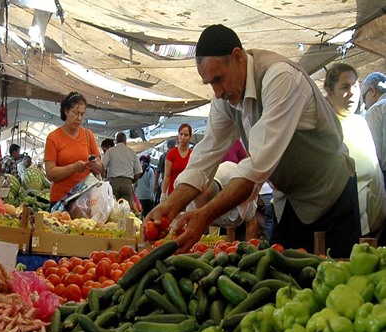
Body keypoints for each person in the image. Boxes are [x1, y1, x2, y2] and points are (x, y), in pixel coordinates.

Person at [148, 24, 360, 257]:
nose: (217, 92)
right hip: (287, 205)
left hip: (331, 198)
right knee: (284, 284)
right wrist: (170, 206)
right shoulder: (224, 99)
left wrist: (205, 215)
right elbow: (204, 157)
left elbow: (256, 166)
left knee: (337, 280)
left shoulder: (280, 78)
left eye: (219, 79)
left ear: (238, 57)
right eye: (210, 83)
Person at [324, 63, 386, 238]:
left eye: (356, 86)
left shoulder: (360, 123)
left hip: (372, 227)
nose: (352, 92)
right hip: (343, 230)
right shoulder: (325, 129)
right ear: (330, 92)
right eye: (345, 87)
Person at [44, 92, 103, 208]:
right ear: (66, 111)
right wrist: (74, 168)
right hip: (60, 201)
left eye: (82, 114)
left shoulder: (88, 135)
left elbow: (100, 168)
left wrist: (95, 164)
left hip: (84, 202)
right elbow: (50, 173)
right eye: (75, 113)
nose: (79, 118)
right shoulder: (53, 138)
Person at [185, 161, 258, 238]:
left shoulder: (240, 187)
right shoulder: (193, 197)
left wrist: (249, 247)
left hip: (240, 219)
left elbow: (251, 223)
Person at [101, 132, 143, 207]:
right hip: (127, 183)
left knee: (113, 209)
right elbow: (139, 172)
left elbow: (102, 165)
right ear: (125, 141)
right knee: (126, 210)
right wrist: (132, 181)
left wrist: (103, 177)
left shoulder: (110, 151)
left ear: (116, 141)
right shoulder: (132, 152)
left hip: (114, 183)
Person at [363, 72, 386, 183]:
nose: (365, 106)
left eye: (363, 98)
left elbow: (375, 156)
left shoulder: (375, 110)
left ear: (372, 91)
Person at [162, 123, 193, 198]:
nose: (183, 137)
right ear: (178, 135)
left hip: (187, 195)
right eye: (181, 134)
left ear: (190, 137)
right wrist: (163, 194)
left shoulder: (193, 155)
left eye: (186, 135)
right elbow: (167, 176)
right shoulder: (171, 154)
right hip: (172, 194)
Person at [154, 138, 176, 204]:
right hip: (166, 182)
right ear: (168, 147)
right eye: (171, 147)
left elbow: (158, 171)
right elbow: (158, 172)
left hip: (175, 182)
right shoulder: (164, 157)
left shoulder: (176, 156)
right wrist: (156, 183)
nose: (171, 149)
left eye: (173, 147)